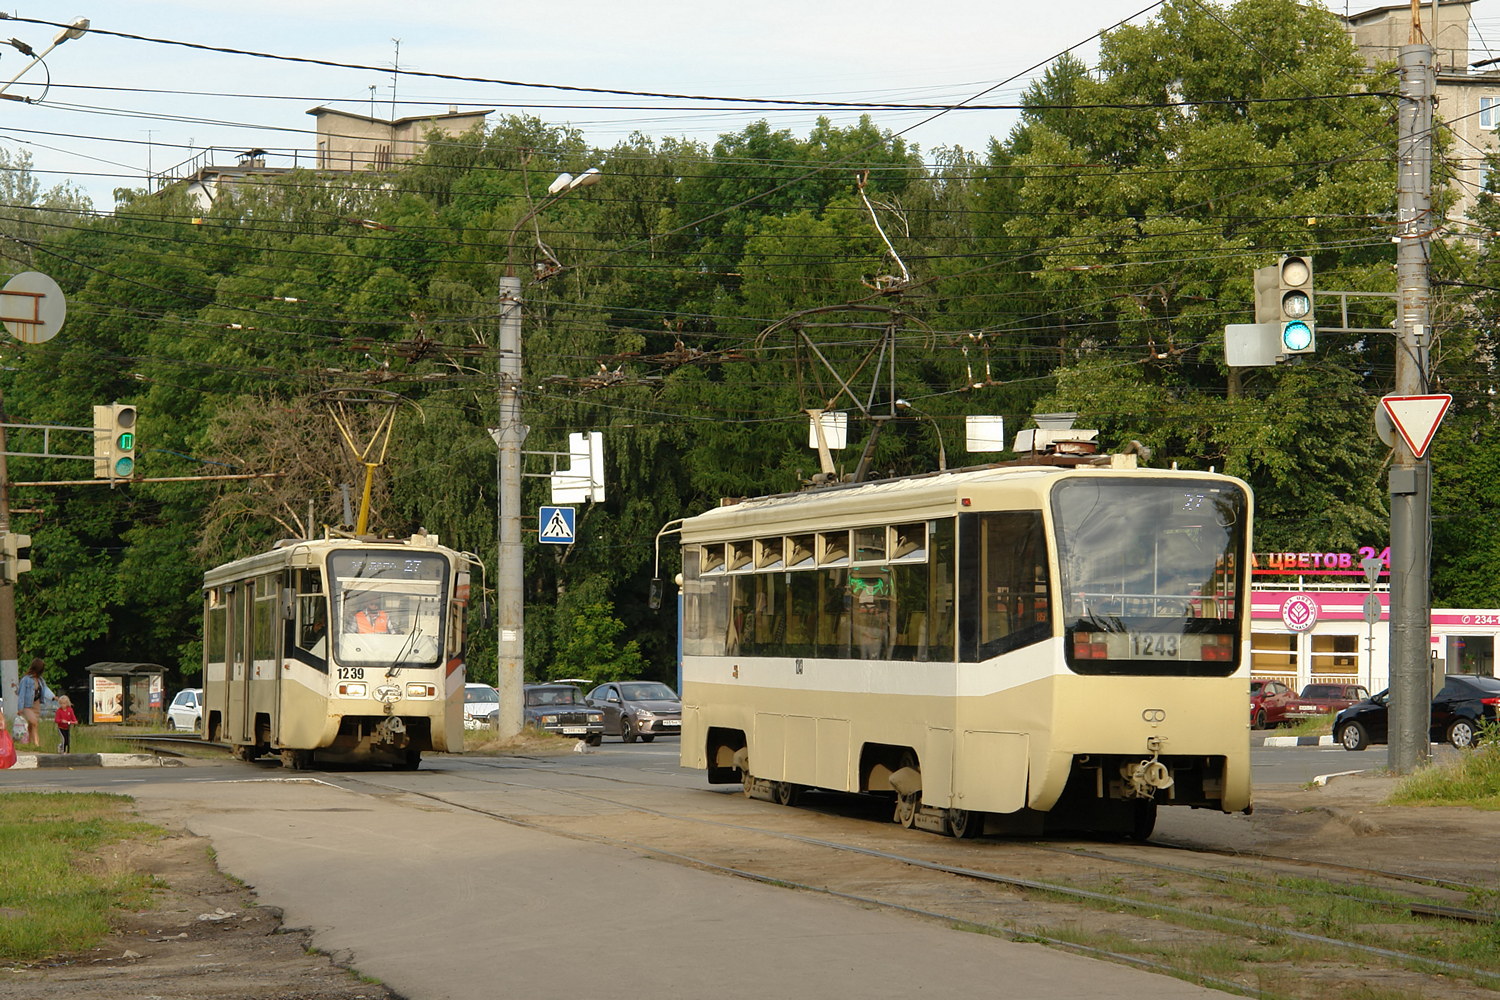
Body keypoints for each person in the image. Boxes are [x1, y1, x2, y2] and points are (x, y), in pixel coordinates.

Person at [18, 658, 51, 748]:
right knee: (34, 723)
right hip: (27, 706)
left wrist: (53, 697)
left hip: (36, 704)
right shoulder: (26, 679)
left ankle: (28, 743)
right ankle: (37, 744)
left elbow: (45, 690)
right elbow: (21, 694)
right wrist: (20, 708)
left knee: (31, 725)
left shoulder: (40, 680)